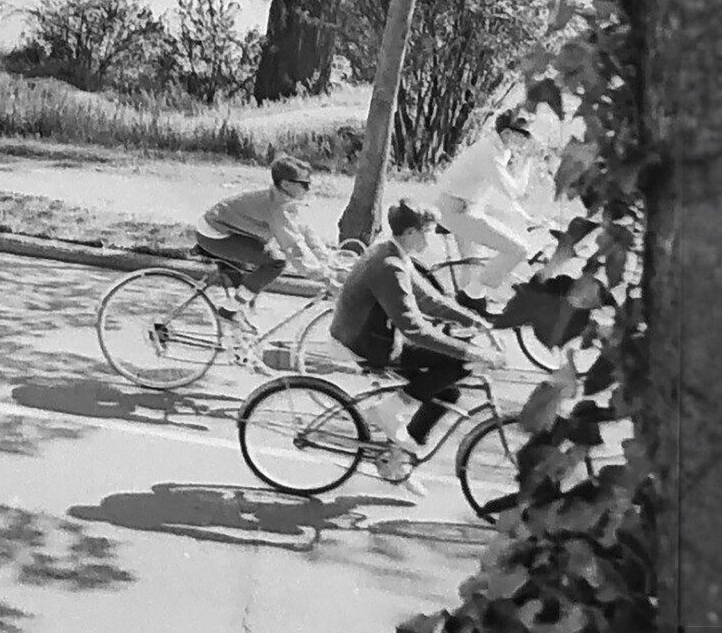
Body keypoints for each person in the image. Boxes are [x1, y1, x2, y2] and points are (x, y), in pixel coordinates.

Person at [331, 199, 500, 495]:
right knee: (458, 363)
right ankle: (389, 411)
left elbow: (428, 300)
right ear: (410, 233)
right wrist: (471, 351)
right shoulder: (390, 266)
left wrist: (475, 321)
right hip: (369, 343)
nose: (430, 238)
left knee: (446, 390)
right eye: (427, 232)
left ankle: (397, 460)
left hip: (371, 335)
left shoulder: (393, 253)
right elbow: (415, 330)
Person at [194, 155, 344, 319]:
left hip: (228, 227)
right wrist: (322, 275)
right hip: (214, 234)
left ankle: (237, 320)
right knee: (276, 262)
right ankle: (228, 311)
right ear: (286, 184)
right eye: (305, 184)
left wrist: (327, 257)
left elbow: (304, 231)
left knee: (253, 276)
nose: (309, 189)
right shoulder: (279, 208)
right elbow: (294, 247)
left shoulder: (283, 198)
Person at [433, 109, 541, 304]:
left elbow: (498, 193)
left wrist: (526, 217)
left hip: (464, 206)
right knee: (518, 249)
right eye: (524, 135)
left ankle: (464, 315)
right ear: (507, 134)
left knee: (473, 268)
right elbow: (515, 192)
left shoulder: (498, 148)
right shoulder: (490, 155)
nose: (527, 140)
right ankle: (470, 298)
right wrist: (528, 160)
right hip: (458, 211)